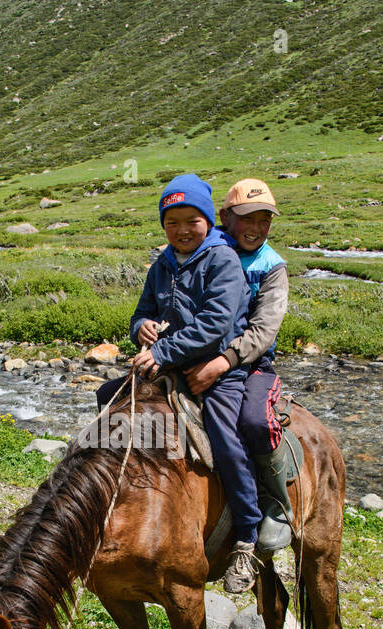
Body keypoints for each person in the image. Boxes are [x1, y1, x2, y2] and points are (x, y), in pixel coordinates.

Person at [124, 173, 264, 593]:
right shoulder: (161, 264)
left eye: (192, 220)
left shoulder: (222, 260)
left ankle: (246, 534)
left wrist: (162, 352)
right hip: (171, 364)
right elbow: (140, 312)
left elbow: (215, 324)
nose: (182, 230)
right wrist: (142, 329)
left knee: (224, 433)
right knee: (109, 401)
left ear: (208, 220)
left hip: (216, 370)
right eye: (172, 222)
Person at [181, 179, 292, 553]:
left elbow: (263, 330)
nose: (257, 228)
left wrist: (223, 362)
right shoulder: (206, 250)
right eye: (248, 218)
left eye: (265, 220)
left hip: (251, 362)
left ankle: (275, 502)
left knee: (255, 422)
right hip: (195, 354)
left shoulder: (272, 267)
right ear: (226, 217)